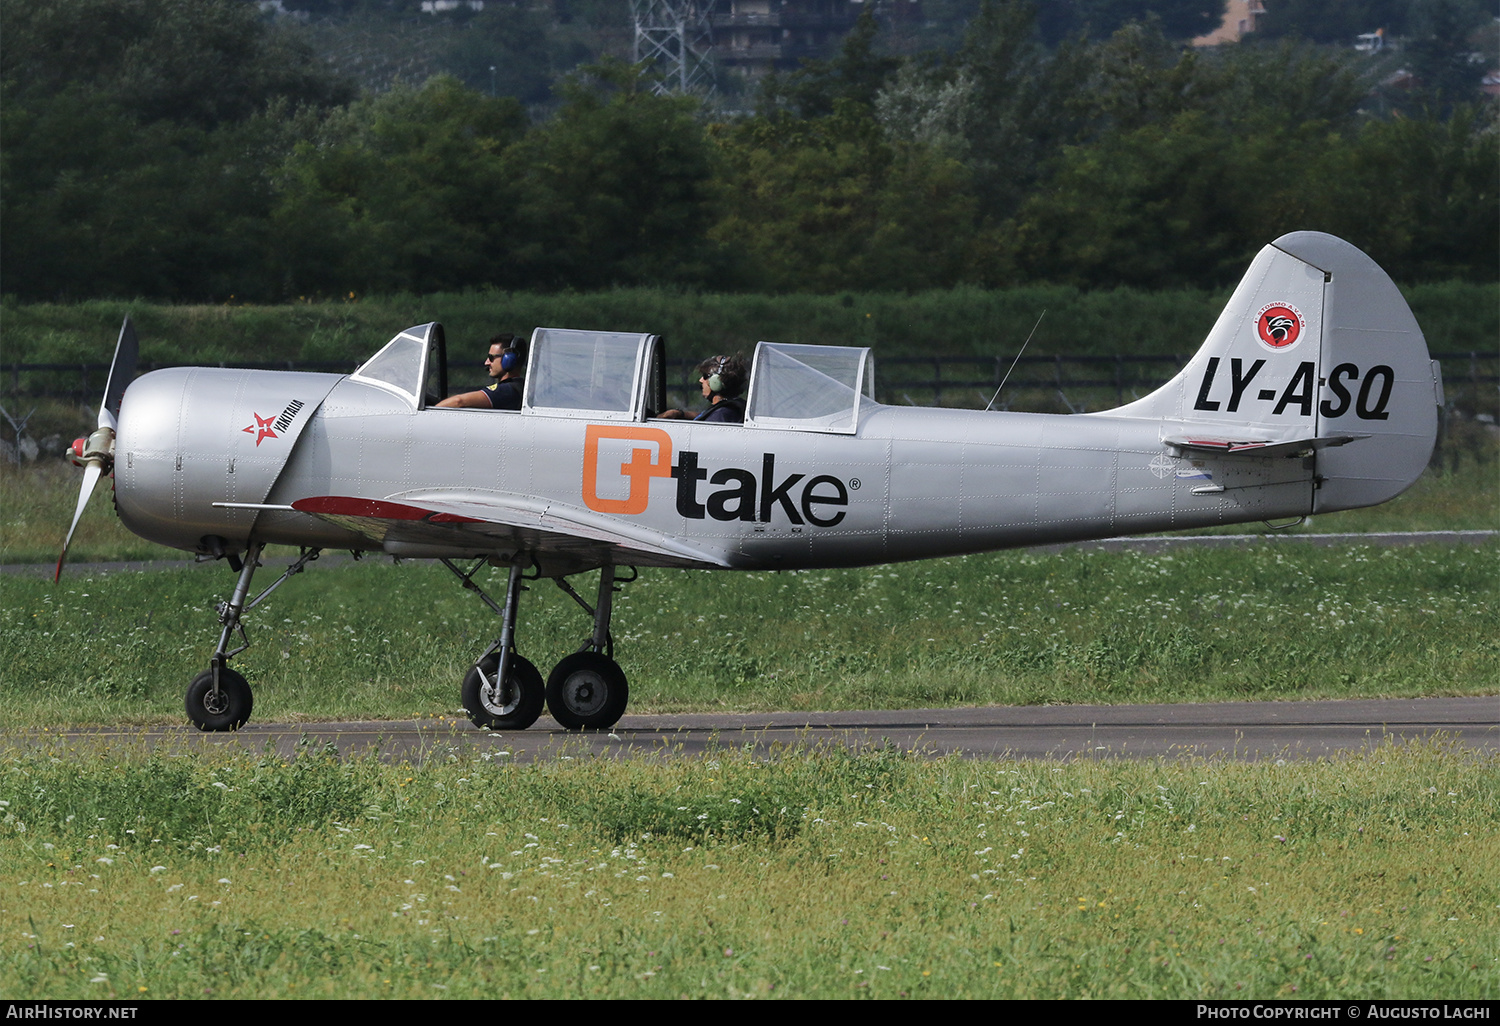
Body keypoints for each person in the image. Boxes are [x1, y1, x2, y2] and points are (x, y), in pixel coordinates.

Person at [437, 333, 525, 410]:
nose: (486, 362)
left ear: (508, 359)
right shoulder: (518, 388)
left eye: (491, 358)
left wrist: (430, 413)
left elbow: (459, 402)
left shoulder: (507, 390)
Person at [658, 354, 748, 423]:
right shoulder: (729, 408)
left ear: (716, 382)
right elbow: (705, 414)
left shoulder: (719, 416)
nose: (701, 380)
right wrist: (679, 413)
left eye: (705, 376)